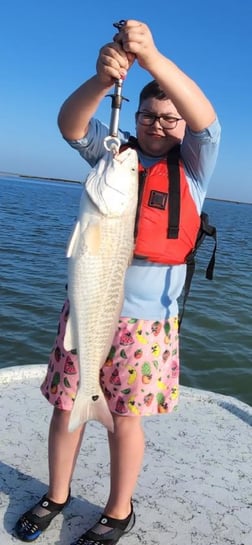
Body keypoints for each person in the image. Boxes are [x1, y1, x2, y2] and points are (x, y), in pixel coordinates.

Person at [15, 19, 221, 545]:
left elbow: (206, 122)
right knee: (68, 409)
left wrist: (151, 58)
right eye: (148, 114)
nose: (157, 124)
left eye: (169, 118)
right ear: (134, 116)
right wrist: (102, 80)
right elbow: (69, 125)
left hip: (147, 325)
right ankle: (57, 495)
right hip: (86, 308)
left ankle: (117, 509)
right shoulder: (115, 156)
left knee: (126, 423)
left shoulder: (194, 168)